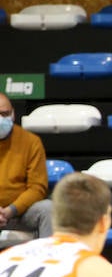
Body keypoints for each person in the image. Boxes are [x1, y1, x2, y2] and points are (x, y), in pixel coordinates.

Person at [0, 93, 54, 241]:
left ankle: (48, 261)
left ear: (13, 113)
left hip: (20, 213)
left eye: (5, 114)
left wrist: (10, 211)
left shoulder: (31, 142)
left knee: (48, 208)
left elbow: (37, 188)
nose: (1, 119)